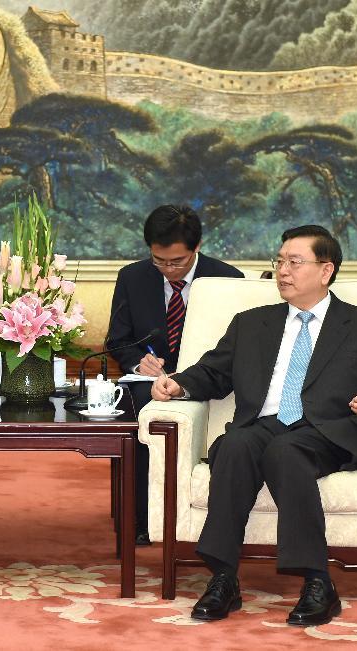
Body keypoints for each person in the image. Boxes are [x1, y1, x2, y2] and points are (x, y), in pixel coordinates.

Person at [151, 224, 357, 626]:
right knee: (236, 445)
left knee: (285, 452)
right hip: (265, 423)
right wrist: (180, 384)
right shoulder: (252, 323)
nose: (283, 271)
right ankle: (223, 578)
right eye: (279, 262)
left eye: (295, 262)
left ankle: (317, 582)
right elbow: (212, 373)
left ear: (325, 271)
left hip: (324, 431)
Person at [107, 205, 243, 545]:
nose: (168, 270)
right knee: (137, 411)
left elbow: (238, 348)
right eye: (159, 260)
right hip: (149, 385)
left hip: (209, 384)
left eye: (177, 261)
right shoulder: (132, 278)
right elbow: (117, 341)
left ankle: (202, 515)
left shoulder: (227, 280)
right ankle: (141, 519)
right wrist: (139, 363)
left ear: (196, 248)